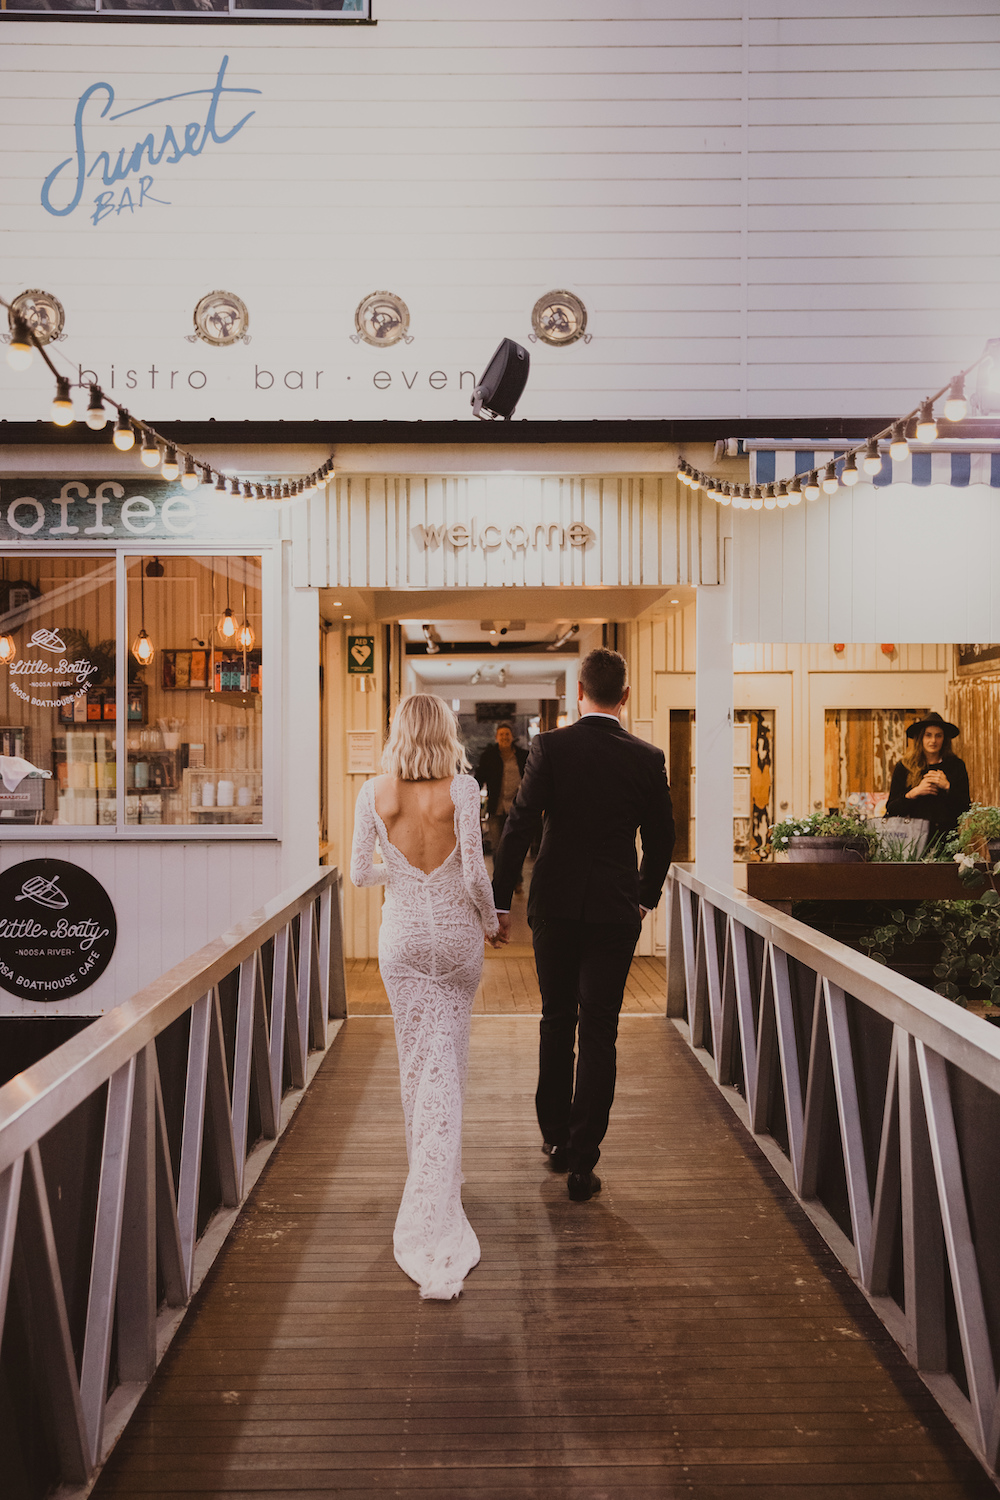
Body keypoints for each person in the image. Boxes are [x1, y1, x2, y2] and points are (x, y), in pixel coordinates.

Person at [491, 648, 675, 1203]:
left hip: (555, 904)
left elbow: (520, 825)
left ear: (578, 694)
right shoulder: (647, 757)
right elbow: (663, 839)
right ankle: (583, 1160)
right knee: (599, 1029)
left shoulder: (551, 748)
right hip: (615, 910)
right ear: (625, 697)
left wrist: (500, 899)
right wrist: (642, 898)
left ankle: (554, 1140)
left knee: (556, 1018)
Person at [351, 694, 501, 1299]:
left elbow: (361, 873)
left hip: (404, 940)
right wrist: (491, 922)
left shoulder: (373, 794)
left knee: (417, 1065)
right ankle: (440, 1190)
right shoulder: (462, 791)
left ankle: (430, 1181)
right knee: (450, 1064)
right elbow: (472, 875)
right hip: (456, 940)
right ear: (444, 732)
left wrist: (404, 874)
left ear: (398, 732)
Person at [885, 710, 971, 842]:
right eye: (928, 735)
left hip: (947, 841)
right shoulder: (904, 766)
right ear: (920, 738)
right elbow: (892, 808)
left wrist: (947, 786)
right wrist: (915, 792)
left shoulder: (956, 766)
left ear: (944, 739)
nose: (933, 741)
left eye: (938, 736)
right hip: (912, 841)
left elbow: (965, 808)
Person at [475, 722, 528, 857]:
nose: (504, 737)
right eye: (501, 734)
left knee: (515, 846)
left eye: (507, 734)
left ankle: (516, 877)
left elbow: (530, 780)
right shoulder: (489, 756)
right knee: (498, 848)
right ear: (496, 737)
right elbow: (479, 779)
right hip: (496, 808)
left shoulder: (523, 756)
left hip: (517, 809)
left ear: (512, 737)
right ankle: (499, 877)